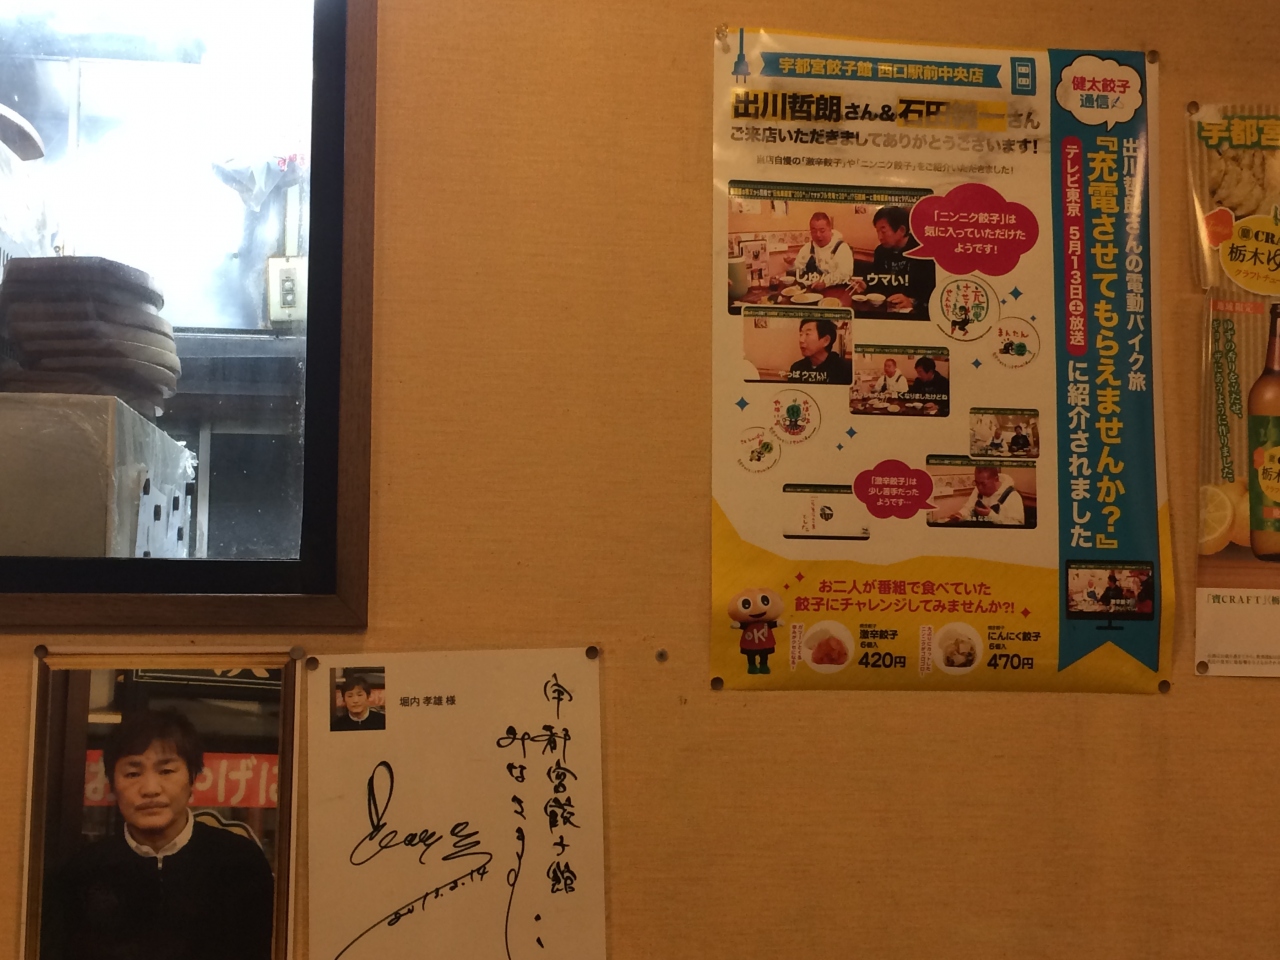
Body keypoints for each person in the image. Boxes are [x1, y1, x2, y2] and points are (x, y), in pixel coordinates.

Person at [42, 710, 275, 960]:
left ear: (193, 779)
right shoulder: (81, 873)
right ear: (113, 785)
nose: (150, 789)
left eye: (166, 771)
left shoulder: (239, 863)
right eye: (133, 774)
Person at [849, 205, 936, 319]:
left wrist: (913, 302)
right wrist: (867, 285)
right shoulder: (881, 251)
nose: (879, 237)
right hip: (886, 311)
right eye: (877, 231)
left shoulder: (923, 253)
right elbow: (878, 281)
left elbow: (932, 293)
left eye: (883, 231)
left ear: (901, 230)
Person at [792, 212, 854, 289]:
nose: (818, 235)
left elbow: (845, 274)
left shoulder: (842, 248)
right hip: (811, 291)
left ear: (830, 229)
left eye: (822, 231)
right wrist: (792, 265)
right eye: (814, 231)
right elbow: (798, 268)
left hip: (836, 291)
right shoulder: (808, 247)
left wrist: (825, 283)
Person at [950, 466, 1025, 525]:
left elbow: (1017, 524)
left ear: (996, 479)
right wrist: (960, 514)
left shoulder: (1012, 496)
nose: (979, 488)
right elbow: (968, 508)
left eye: (983, 484)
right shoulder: (977, 489)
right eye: (977, 483)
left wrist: (991, 515)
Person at [788, 317, 852, 384]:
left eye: (807, 334)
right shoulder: (797, 368)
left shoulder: (844, 369)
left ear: (826, 340)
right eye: (801, 334)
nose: (801, 340)